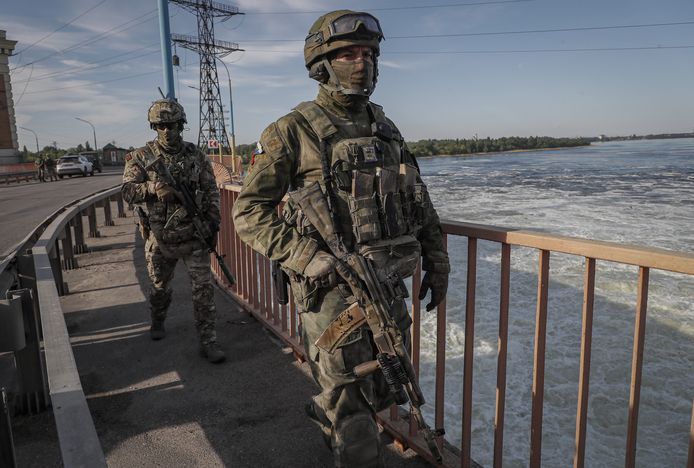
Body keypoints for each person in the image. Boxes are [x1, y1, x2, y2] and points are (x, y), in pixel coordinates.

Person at [232, 10, 449, 467]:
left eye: (369, 53)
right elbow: (247, 212)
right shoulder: (293, 131)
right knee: (352, 406)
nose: (361, 63)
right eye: (348, 53)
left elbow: (418, 199)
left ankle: (328, 414)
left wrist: (438, 261)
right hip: (330, 293)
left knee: (385, 384)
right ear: (321, 64)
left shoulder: (385, 128)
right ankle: (344, 431)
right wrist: (304, 254)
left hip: (385, 284)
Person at [121, 99, 225, 363]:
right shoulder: (142, 157)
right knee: (159, 289)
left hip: (194, 232)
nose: (168, 131)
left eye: (173, 125)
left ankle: (208, 340)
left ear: (181, 125)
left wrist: (213, 221)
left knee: (203, 290)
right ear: (155, 127)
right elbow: (127, 192)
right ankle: (158, 318)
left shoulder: (195, 155)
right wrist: (153, 188)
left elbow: (211, 189)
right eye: (162, 126)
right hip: (160, 237)